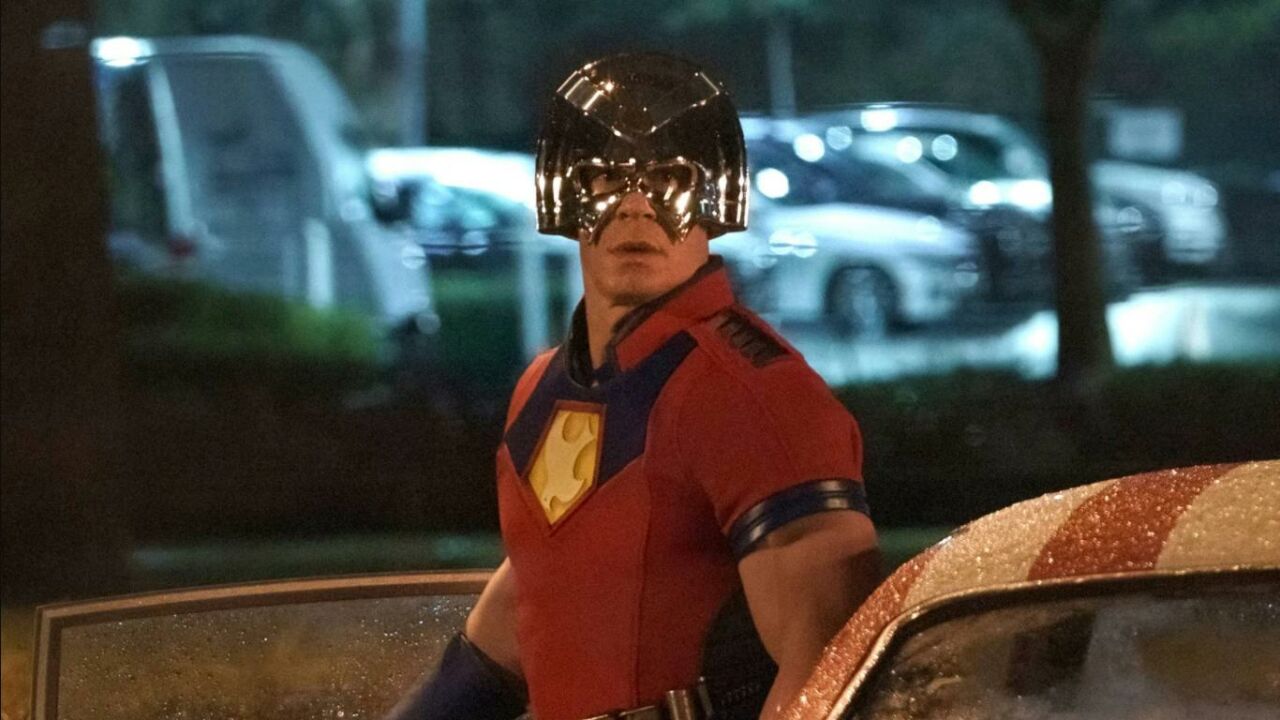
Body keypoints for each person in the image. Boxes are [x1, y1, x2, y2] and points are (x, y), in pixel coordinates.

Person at [386, 53, 881, 720]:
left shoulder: (756, 395)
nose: (636, 206)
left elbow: (831, 666)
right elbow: (536, 595)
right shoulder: (544, 387)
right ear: (566, 193)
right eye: (606, 178)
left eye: (669, 178)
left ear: (714, 196)